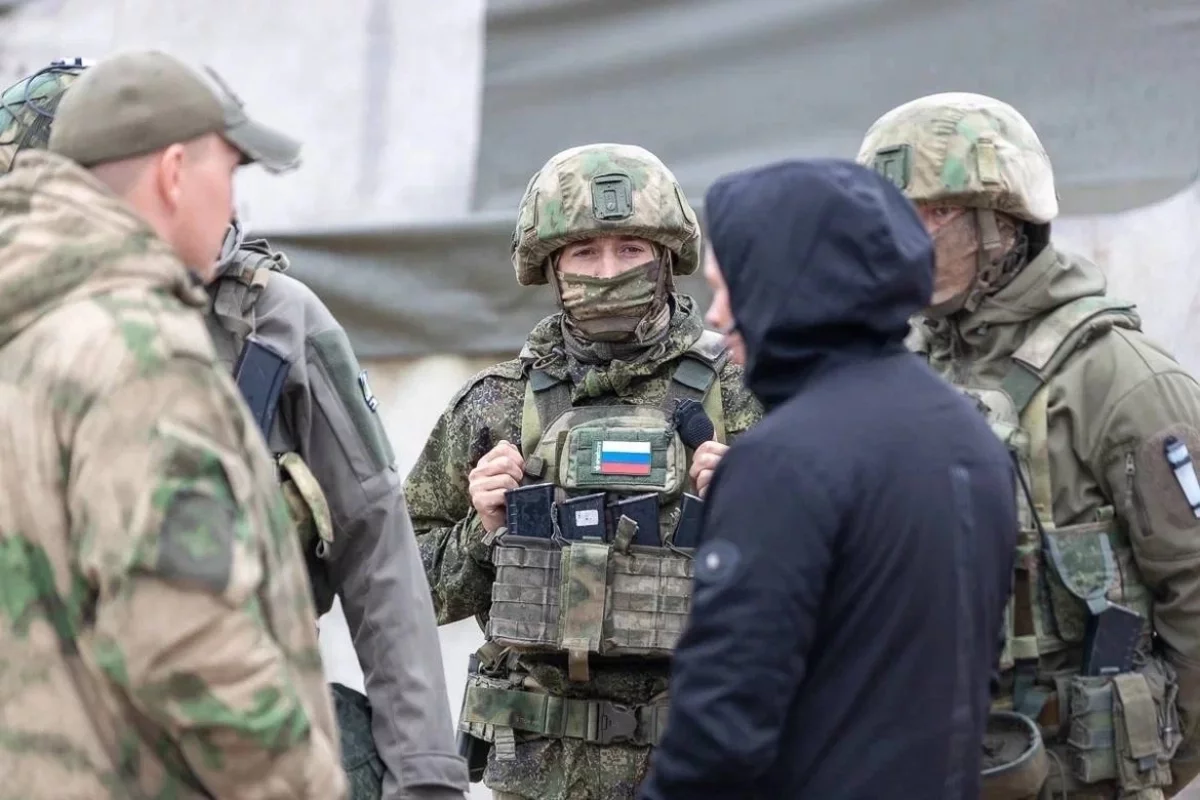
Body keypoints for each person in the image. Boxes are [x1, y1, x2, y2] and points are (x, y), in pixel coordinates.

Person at [2, 58, 471, 800]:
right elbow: (186, 638)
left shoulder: (273, 323)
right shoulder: (142, 350)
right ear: (170, 174)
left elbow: (375, 537)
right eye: (228, 171)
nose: (234, 201)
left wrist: (424, 772)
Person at [638, 158, 1018, 799]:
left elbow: (720, 730)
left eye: (731, 288)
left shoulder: (783, 461)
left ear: (788, 283)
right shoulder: (970, 437)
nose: (716, 316)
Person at [857, 91, 1200, 798]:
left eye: (931, 213)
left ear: (1003, 220)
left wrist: (1148, 765)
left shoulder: (1121, 380)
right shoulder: (904, 370)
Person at [403, 142, 763, 800]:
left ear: (665, 256)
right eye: (584, 253)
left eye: (630, 248)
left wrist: (754, 512)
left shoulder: (743, 394)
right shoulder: (495, 404)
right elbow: (402, 590)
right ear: (550, 264)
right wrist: (483, 531)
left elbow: (836, 582)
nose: (608, 270)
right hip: (540, 771)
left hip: (703, 764)